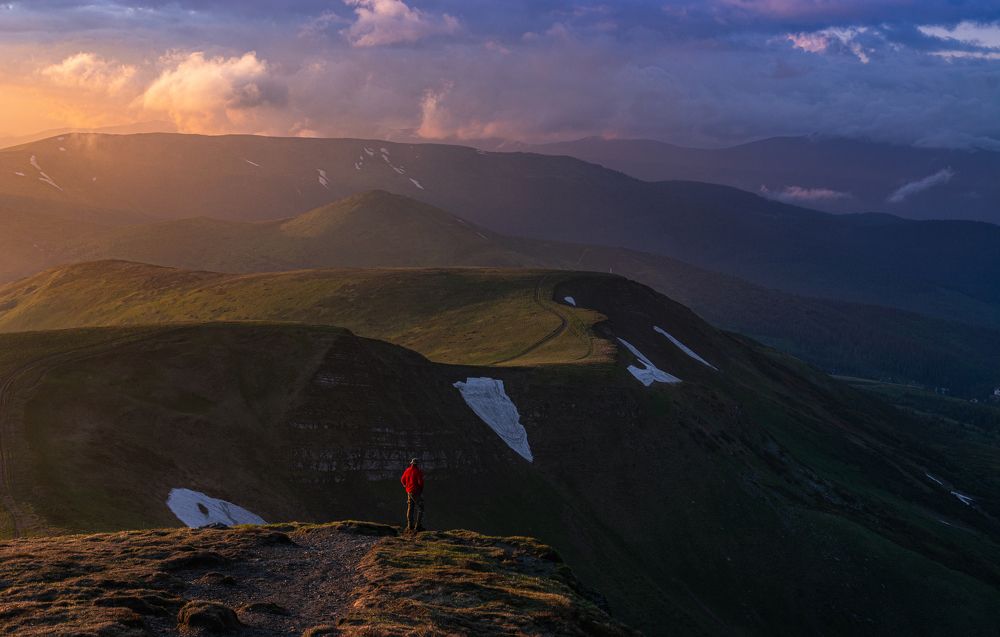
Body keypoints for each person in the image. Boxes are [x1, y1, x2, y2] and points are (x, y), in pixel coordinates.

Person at [400, 458, 425, 532]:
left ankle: (410, 525)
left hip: (409, 492)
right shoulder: (418, 471)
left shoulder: (407, 470)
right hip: (416, 492)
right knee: (421, 508)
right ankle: (418, 526)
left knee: (410, 508)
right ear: (417, 464)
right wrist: (420, 490)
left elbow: (402, 479)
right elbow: (420, 483)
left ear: (411, 463)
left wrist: (405, 486)